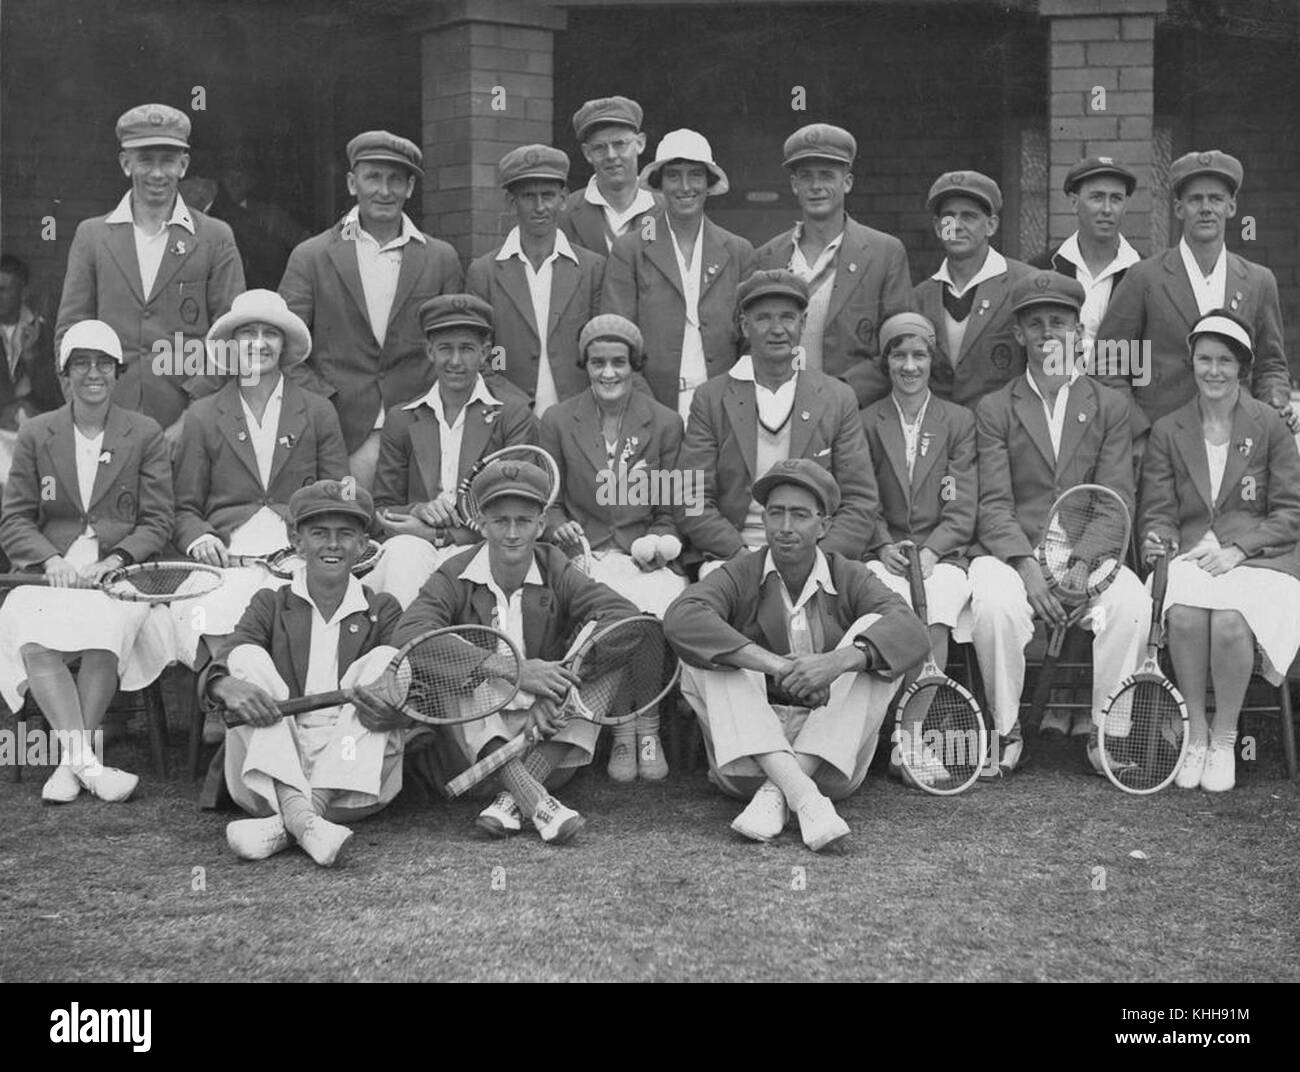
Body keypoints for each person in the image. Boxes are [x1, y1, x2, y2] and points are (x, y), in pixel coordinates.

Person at [664, 459, 929, 852]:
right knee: (708, 652)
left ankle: (783, 793)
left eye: (800, 515)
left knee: (871, 635)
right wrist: (774, 664)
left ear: (823, 526)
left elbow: (911, 631)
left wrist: (835, 663)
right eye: (776, 513)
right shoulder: (741, 571)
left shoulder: (848, 573)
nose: (785, 527)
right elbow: (680, 618)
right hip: (749, 763)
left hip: (829, 765)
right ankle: (801, 797)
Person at [394, 459, 638, 845]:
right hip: (475, 757)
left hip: (547, 743)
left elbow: (625, 618)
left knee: (608, 661)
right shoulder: (453, 572)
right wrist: (512, 669)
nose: (511, 533)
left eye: (523, 521)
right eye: (500, 521)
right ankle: (533, 800)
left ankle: (514, 800)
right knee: (467, 661)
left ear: (541, 525)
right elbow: (408, 634)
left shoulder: (554, 565)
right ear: (483, 524)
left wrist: (559, 681)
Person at [969, 271, 1150, 773]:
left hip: (1088, 556)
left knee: (1133, 603)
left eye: (1060, 321)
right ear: (1020, 334)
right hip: (1014, 555)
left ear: (1079, 333)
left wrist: (1076, 569)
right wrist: (1028, 567)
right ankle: (1004, 730)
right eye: (1036, 323)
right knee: (993, 604)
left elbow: (1114, 500)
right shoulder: (994, 408)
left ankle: (1107, 734)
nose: (1049, 332)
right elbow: (992, 504)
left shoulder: (1111, 406)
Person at [0, 320, 173, 804]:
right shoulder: (36, 433)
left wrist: (116, 557)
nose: (92, 373)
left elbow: (158, 521)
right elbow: (14, 520)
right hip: (50, 575)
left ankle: (68, 766)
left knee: (104, 630)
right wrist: (50, 558)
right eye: (81, 364)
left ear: (117, 373)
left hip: (119, 575)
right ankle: (85, 764)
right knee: (32, 633)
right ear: (64, 374)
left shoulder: (144, 433)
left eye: (102, 364)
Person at [202, 480, 405, 866]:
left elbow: (412, 698)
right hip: (271, 767)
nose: (333, 544)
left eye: (346, 534)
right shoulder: (270, 603)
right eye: (319, 533)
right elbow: (223, 663)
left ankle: (294, 819)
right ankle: (308, 822)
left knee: (387, 663)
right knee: (245, 657)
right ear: (297, 542)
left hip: (354, 778)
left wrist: (393, 710)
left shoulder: (383, 608)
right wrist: (227, 685)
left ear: (363, 544)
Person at [1139, 311, 1300, 792]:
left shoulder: (1270, 425)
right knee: (1185, 615)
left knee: (1230, 619)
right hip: (1192, 556)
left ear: (1242, 368)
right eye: (1204, 359)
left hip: (1262, 559)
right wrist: (1157, 537)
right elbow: (1159, 511)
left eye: (1225, 361)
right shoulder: (1169, 429)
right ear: (1191, 363)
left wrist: (1238, 549)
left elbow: (1291, 513)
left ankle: (1226, 737)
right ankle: (1195, 733)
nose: (1213, 371)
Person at [169, 289, 348, 682]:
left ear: (284, 345)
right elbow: (184, 508)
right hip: (230, 561)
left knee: (308, 618)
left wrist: (316, 543)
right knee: (208, 611)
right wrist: (200, 538)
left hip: (298, 557)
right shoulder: (203, 415)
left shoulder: (318, 411)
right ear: (232, 346)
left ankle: (247, 713)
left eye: (270, 333)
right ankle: (237, 699)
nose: (259, 343)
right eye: (248, 333)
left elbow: (338, 498)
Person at [540, 313, 687, 782]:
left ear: (634, 365)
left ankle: (648, 722)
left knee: (654, 606)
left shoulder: (664, 422)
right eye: (598, 362)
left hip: (641, 554)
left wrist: (659, 546)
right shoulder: (558, 420)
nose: (608, 373)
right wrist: (560, 528)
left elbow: (669, 510)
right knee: (609, 615)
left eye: (619, 362)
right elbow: (550, 503)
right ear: (585, 364)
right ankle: (621, 729)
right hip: (583, 556)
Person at [279, 131, 463, 490]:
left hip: (418, 430)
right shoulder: (312, 255)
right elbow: (286, 349)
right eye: (373, 178)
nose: (384, 191)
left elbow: (455, 344)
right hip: (341, 431)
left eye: (396, 180)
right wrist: (324, 403)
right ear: (352, 183)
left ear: (410, 188)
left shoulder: (441, 258)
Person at [55, 104, 245, 441]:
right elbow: (70, 332)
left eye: (168, 160)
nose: (157, 173)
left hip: (188, 425)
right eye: (145, 160)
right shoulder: (92, 236)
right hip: (106, 422)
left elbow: (229, 339)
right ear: (126, 164)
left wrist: (192, 419)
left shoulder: (215, 237)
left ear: (183, 165)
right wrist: (85, 410)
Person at [678, 270, 878, 572]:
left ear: (803, 323)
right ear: (745, 326)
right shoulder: (711, 398)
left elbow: (860, 501)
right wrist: (740, 557)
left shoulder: (837, 397)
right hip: (732, 557)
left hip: (817, 559)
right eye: (763, 318)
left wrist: (819, 561)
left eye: (787, 317)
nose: (777, 329)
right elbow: (690, 497)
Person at [1096, 150, 1293, 438]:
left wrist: (1275, 404)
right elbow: (1108, 363)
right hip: (1161, 441)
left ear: (1231, 207)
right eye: (1194, 199)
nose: (1205, 208)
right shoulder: (1144, 277)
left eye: (1216, 199)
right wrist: (1138, 431)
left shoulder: (1258, 280)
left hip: (1238, 439)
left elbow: (1270, 364)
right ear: (1178, 208)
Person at [861, 312, 977, 782]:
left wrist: (932, 551)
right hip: (884, 553)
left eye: (919, 355)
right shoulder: (867, 421)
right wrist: (881, 542)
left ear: (932, 361)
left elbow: (962, 499)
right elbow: (859, 494)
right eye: (899, 355)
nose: (910, 366)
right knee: (885, 608)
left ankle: (911, 737)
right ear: (887, 362)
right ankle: (875, 732)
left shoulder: (957, 421)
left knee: (938, 606)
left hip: (939, 554)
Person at [367, 294, 536, 608]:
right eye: (445, 349)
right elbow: (384, 508)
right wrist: (417, 509)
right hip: (418, 542)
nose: (455, 361)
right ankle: (405, 649)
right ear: (430, 352)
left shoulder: (511, 414)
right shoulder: (402, 418)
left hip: (480, 542)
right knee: (401, 552)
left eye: (467, 349)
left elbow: (515, 509)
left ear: (485, 354)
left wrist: (443, 537)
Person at [753, 123, 914, 409]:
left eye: (827, 175)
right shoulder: (768, 256)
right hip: (780, 409)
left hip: (855, 411)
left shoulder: (884, 252)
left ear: (847, 182)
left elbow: (899, 343)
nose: (816, 187)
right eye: (806, 177)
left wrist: (841, 393)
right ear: (794, 185)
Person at [601, 129, 755, 420]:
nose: (685, 187)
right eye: (673, 176)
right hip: (649, 408)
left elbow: (751, 343)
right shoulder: (630, 250)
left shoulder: (738, 251)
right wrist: (648, 408)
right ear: (660, 184)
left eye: (695, 175)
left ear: (709, 183)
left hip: (726, 409)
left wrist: (733, 401)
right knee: (665, 470)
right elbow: (616, 337)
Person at [465, 145, 604, 416]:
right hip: (510, 419)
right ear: (510, 201)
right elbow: (484, 356)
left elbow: (601, 349)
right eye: (528, 196)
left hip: (580, 418)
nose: (540, 206)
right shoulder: (484, 272)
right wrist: (515, 409)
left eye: (548, 196)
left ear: (563, 198)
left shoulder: (592, 267)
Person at [911, 170, 1034, 408]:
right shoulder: (920, 297)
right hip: (943, 434)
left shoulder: (1026, 283)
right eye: (948, 217)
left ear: (991, 225)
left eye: (969, 216)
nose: (956, 226)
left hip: (1006, 433)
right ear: (938, 227)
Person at [1031, 157, 1141, 348]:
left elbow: (1147, 353)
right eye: (1097, 197)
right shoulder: (1042, 269)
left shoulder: (1144, 272)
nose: (1107, 209)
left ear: (1125, 206)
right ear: (1074, 203)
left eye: (1116, 199)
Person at [560, 96, 659, 255]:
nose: (611, 155)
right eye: (599, 147)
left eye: (619, 144)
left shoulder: (667, 210)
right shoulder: (565, 214)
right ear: (587, 153)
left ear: (640, 143)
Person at [0, 254, 63, 485]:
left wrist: (32, 356)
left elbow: (58, 396)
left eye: (4, 289)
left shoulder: (44, 333)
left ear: (23, 292)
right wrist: (11, 405)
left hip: (38, 435)